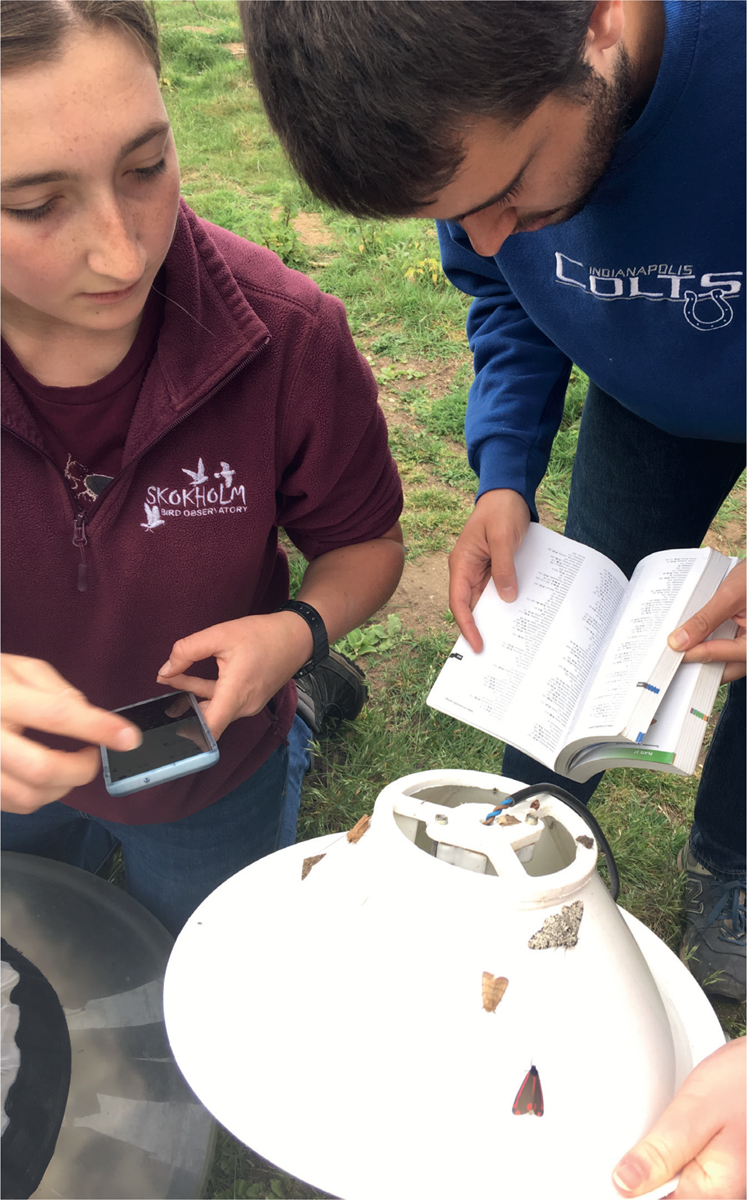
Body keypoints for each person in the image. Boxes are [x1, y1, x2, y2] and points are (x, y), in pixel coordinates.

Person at [240, 3, 745, 1196]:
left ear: (601, 26)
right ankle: (535, 856)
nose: (485, 231)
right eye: (452, 213)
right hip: (645, 395)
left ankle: (733, 866)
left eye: (513, 189)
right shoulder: (478, 141)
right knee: (600, 611)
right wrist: (506, 468)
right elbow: (506, 293)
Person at [0, 0, 405, 939]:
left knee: (201, 965)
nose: (123, 249)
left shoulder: (288, 334)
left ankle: (296, 707)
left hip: (205, 769)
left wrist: (299, 631)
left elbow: (366, 544)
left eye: (146, 167)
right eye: (33, 204)